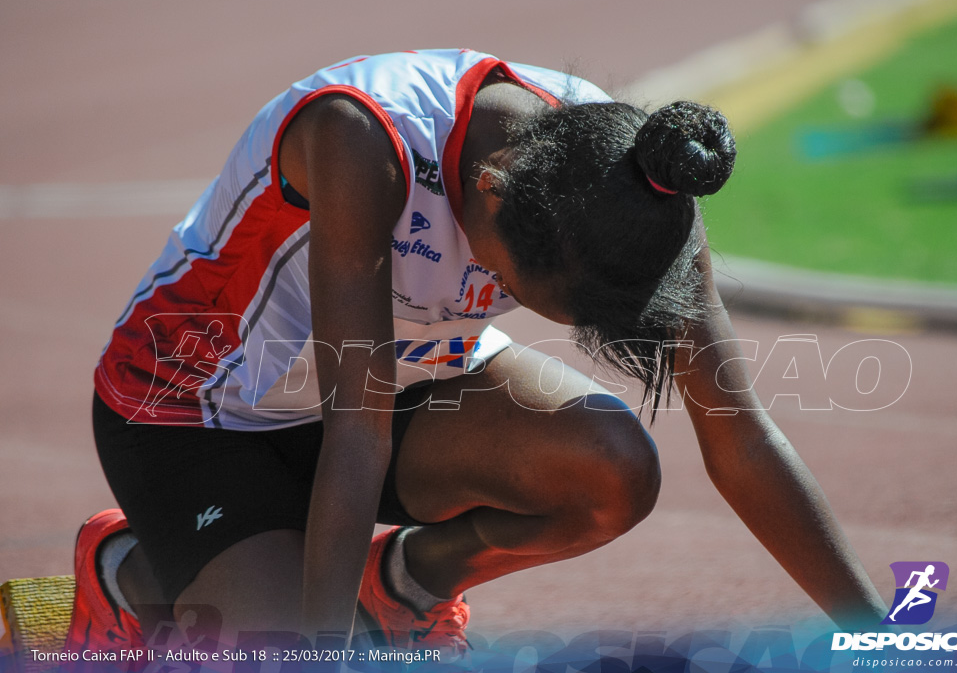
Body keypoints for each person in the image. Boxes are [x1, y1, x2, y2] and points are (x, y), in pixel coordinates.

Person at [64, 48, 887, 659]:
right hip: (197, 415)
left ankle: (402, 584)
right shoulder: (360, 140)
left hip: (400, 389)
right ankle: (130, 573)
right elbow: (359, 433)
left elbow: (740, 436)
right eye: (548, 303)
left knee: (610, 467)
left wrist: (882, 643)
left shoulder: (635, 181)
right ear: (488, 197)